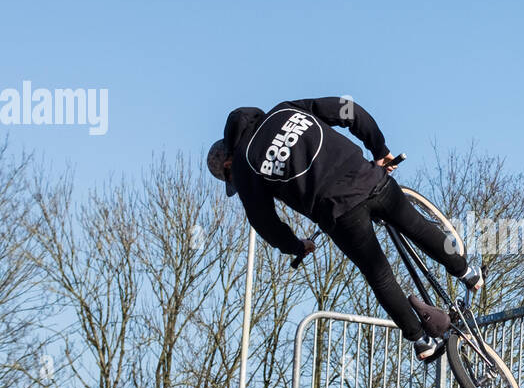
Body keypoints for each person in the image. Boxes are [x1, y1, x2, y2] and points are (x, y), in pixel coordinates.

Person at [206, 98, 482, 361]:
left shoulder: (244, 164)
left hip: (339, 214)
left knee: (380, 275)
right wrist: (379, 149)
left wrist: (296, 245)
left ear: (228, 164)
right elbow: (348, 109)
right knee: (418, 227)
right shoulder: (285, 110)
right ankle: (466, 272)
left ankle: (421, 340)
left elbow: (263, 221)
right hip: (368, 180)